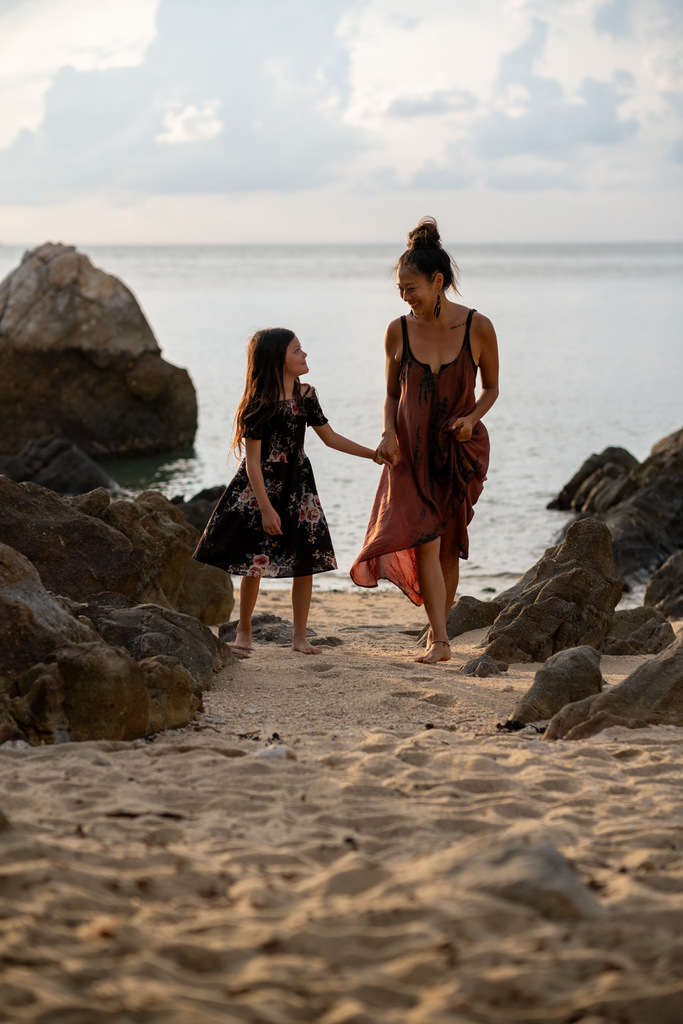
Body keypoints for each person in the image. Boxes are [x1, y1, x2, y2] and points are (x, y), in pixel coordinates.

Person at [351, 217, 499, 664]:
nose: (404, 296)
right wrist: (388, 433)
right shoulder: (397, 330)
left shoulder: (478, 327)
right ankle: (440, 639)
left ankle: (440, 633)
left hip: (456, 451)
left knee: (447, 547)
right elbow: (391, 394)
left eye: (411, 287)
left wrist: (472, 418)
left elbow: (491, 389)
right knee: (425, 541)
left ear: (438, 282)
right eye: (400, 289)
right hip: (410, 454)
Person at [193, 327, 383, 655]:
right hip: (261, 489)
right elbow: (252, 462)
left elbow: (331, 438)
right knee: (255, 560)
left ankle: (299, 637)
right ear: (278, 360)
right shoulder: (258, 405)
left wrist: (373, 454)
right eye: (297, 350)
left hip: (298, 489)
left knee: (305, 559)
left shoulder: (306, 396)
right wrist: (265, 508)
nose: (305, 354)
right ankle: (244, 629)